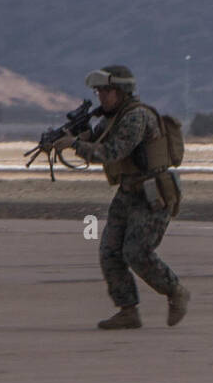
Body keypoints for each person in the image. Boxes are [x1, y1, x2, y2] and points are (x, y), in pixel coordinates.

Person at [53, 65, 190, 329]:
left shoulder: (136, 117)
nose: (101, 97)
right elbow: (96, 140)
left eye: (106, 91)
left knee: (136, 252)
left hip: (153, 194)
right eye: (99, 91)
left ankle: (175, 291)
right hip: (128, 192)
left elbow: (111, 152)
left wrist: (75, 146)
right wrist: (68, 139)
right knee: (110, 252)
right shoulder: (112, 118)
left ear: (121, 91)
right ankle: (128, 311)